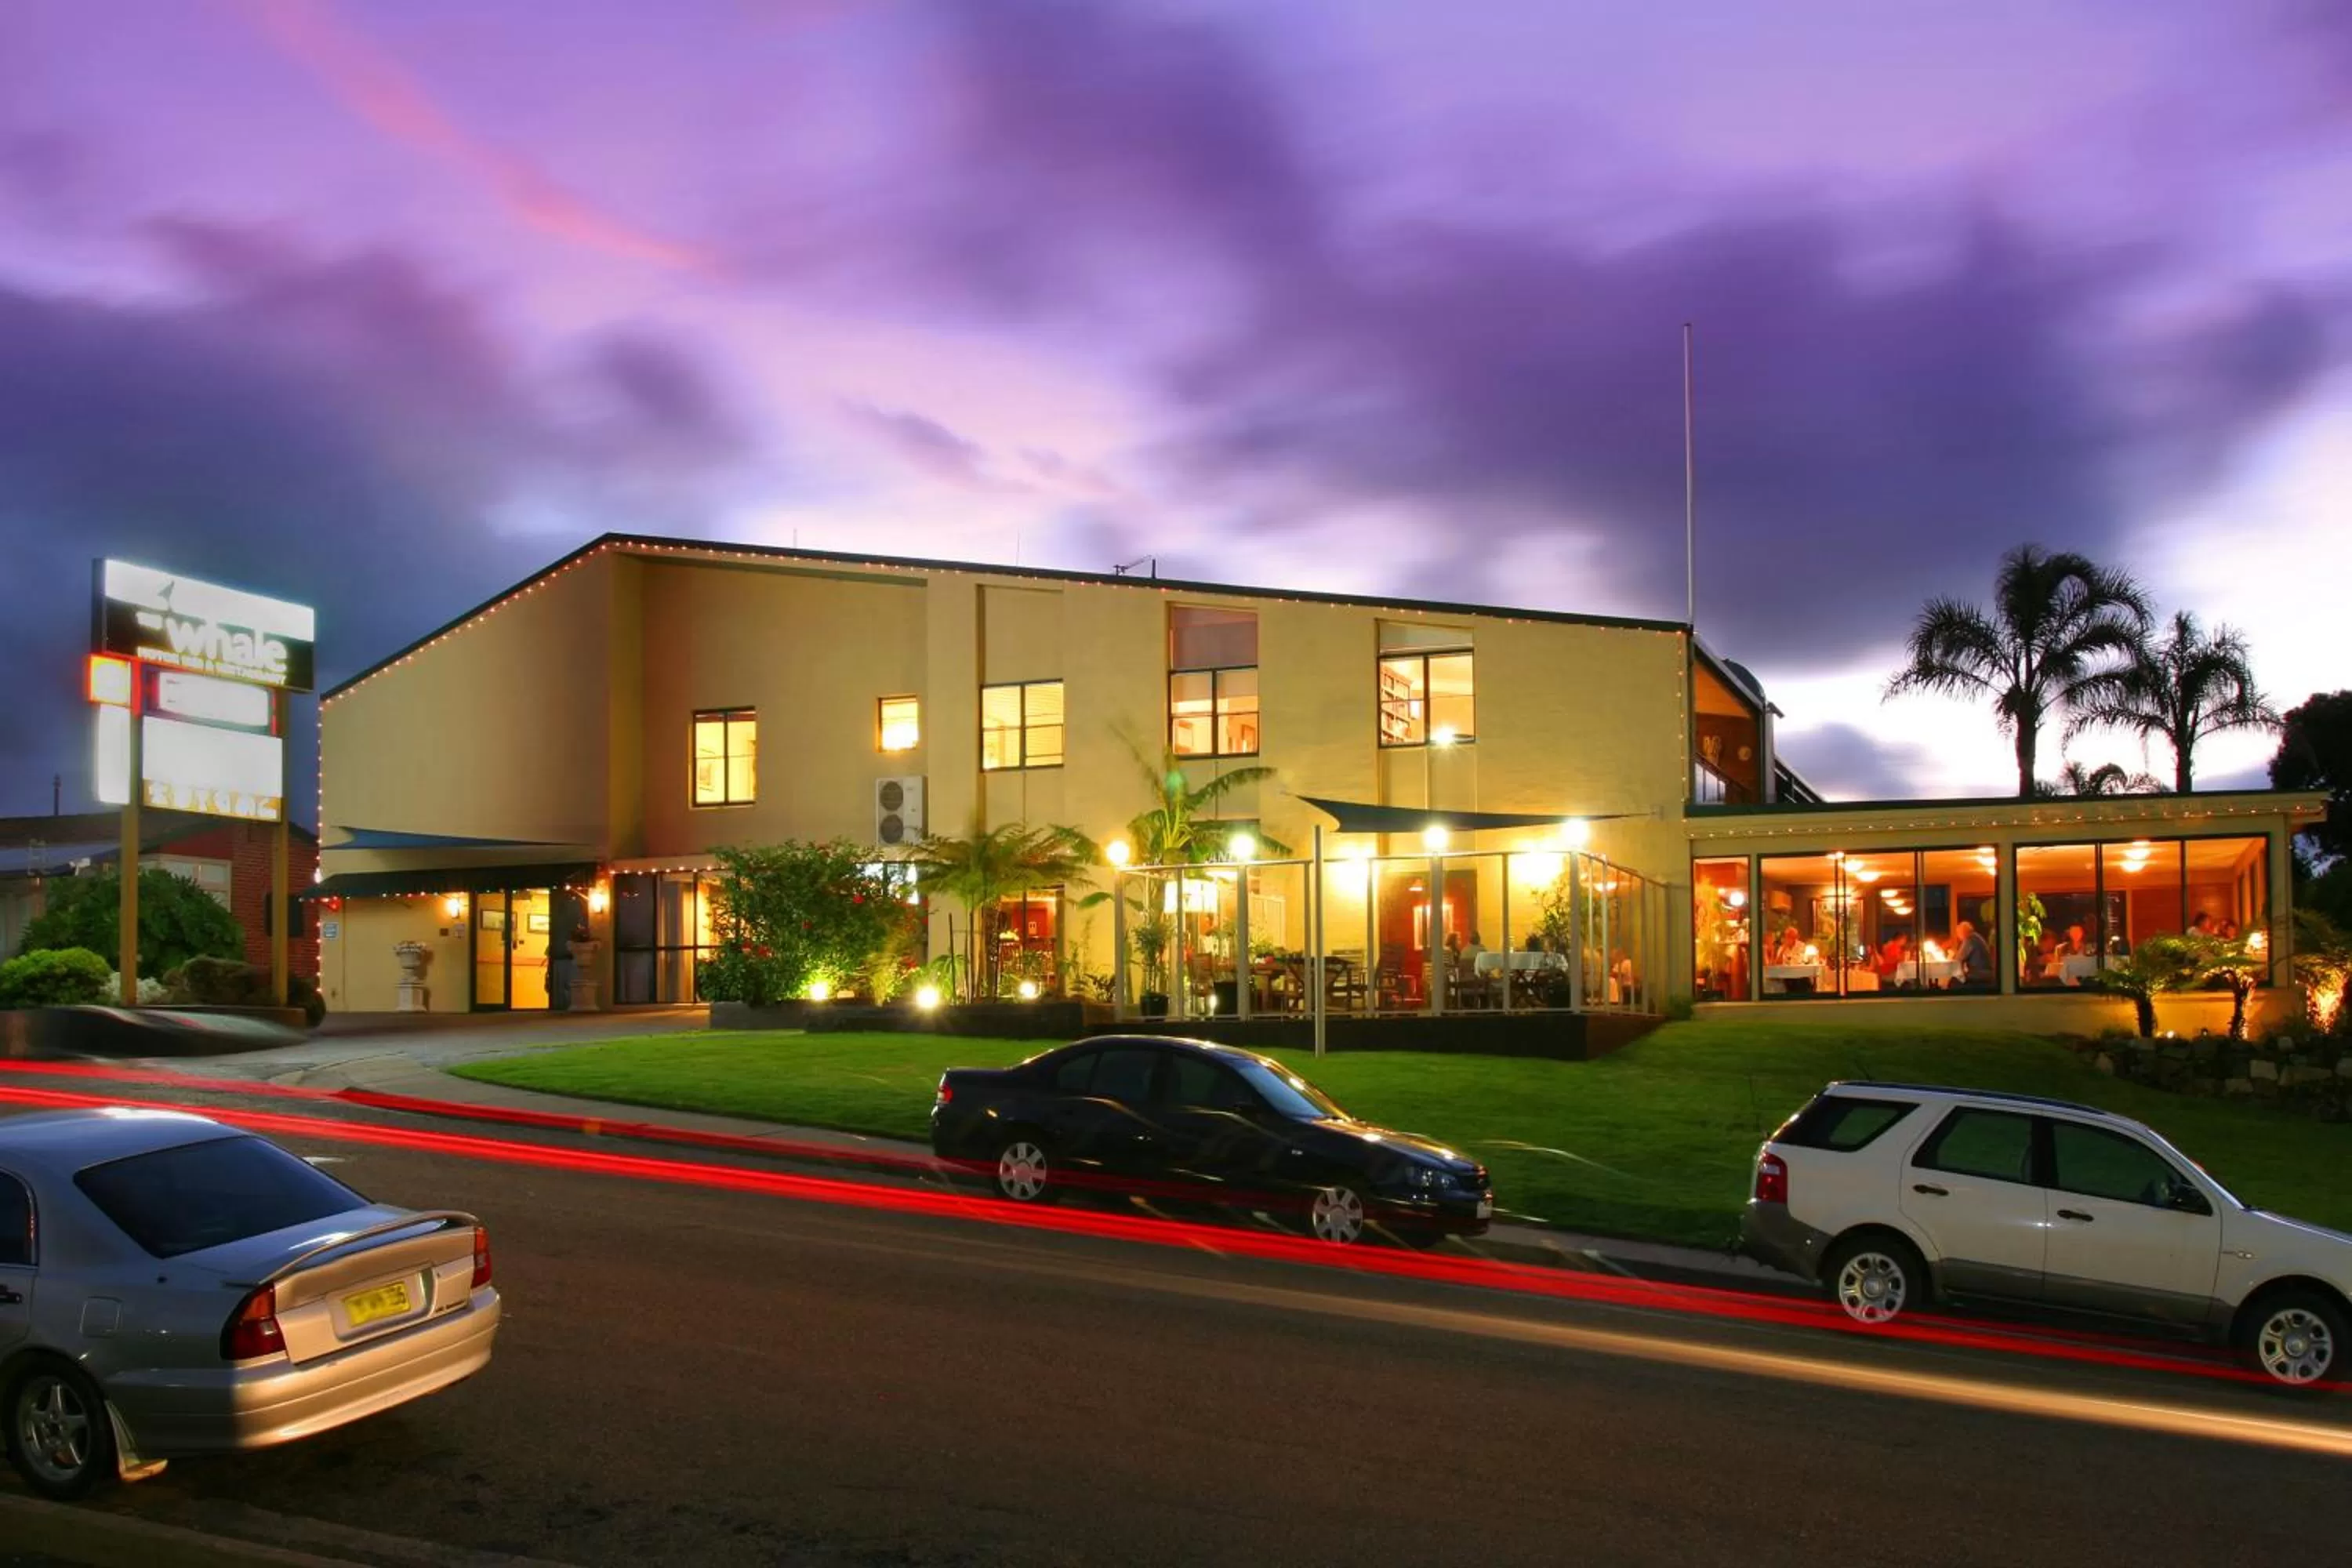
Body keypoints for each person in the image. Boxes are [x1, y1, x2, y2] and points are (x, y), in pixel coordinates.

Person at [1953, 920, 1993, 987]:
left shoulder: (1970, 939)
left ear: (1962, 932)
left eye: (1958, 934)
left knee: (1954, 982)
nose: (1959, 938)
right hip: (1987, 974)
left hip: (1979, 975)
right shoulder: (1977, 937)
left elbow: (1959, 959)